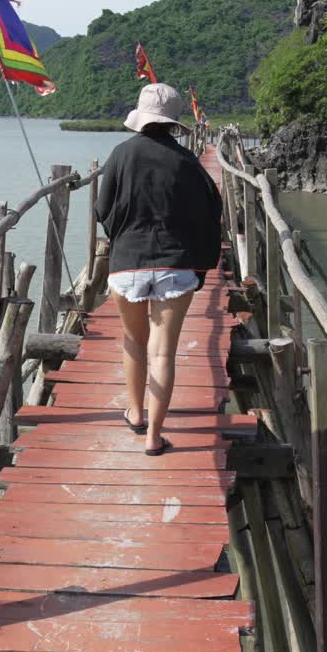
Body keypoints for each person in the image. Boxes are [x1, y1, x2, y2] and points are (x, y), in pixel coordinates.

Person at [93, 83, 223, 455]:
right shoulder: (187, 162)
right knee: (163, 353)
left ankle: (135, 412)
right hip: (176, 264)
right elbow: (210, 215)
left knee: (133, 342)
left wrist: (123, 238)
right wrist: (202, 265)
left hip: (126, 265)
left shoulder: (120, 154)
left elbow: (103, 210)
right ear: (172, 123)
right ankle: (154, 435)